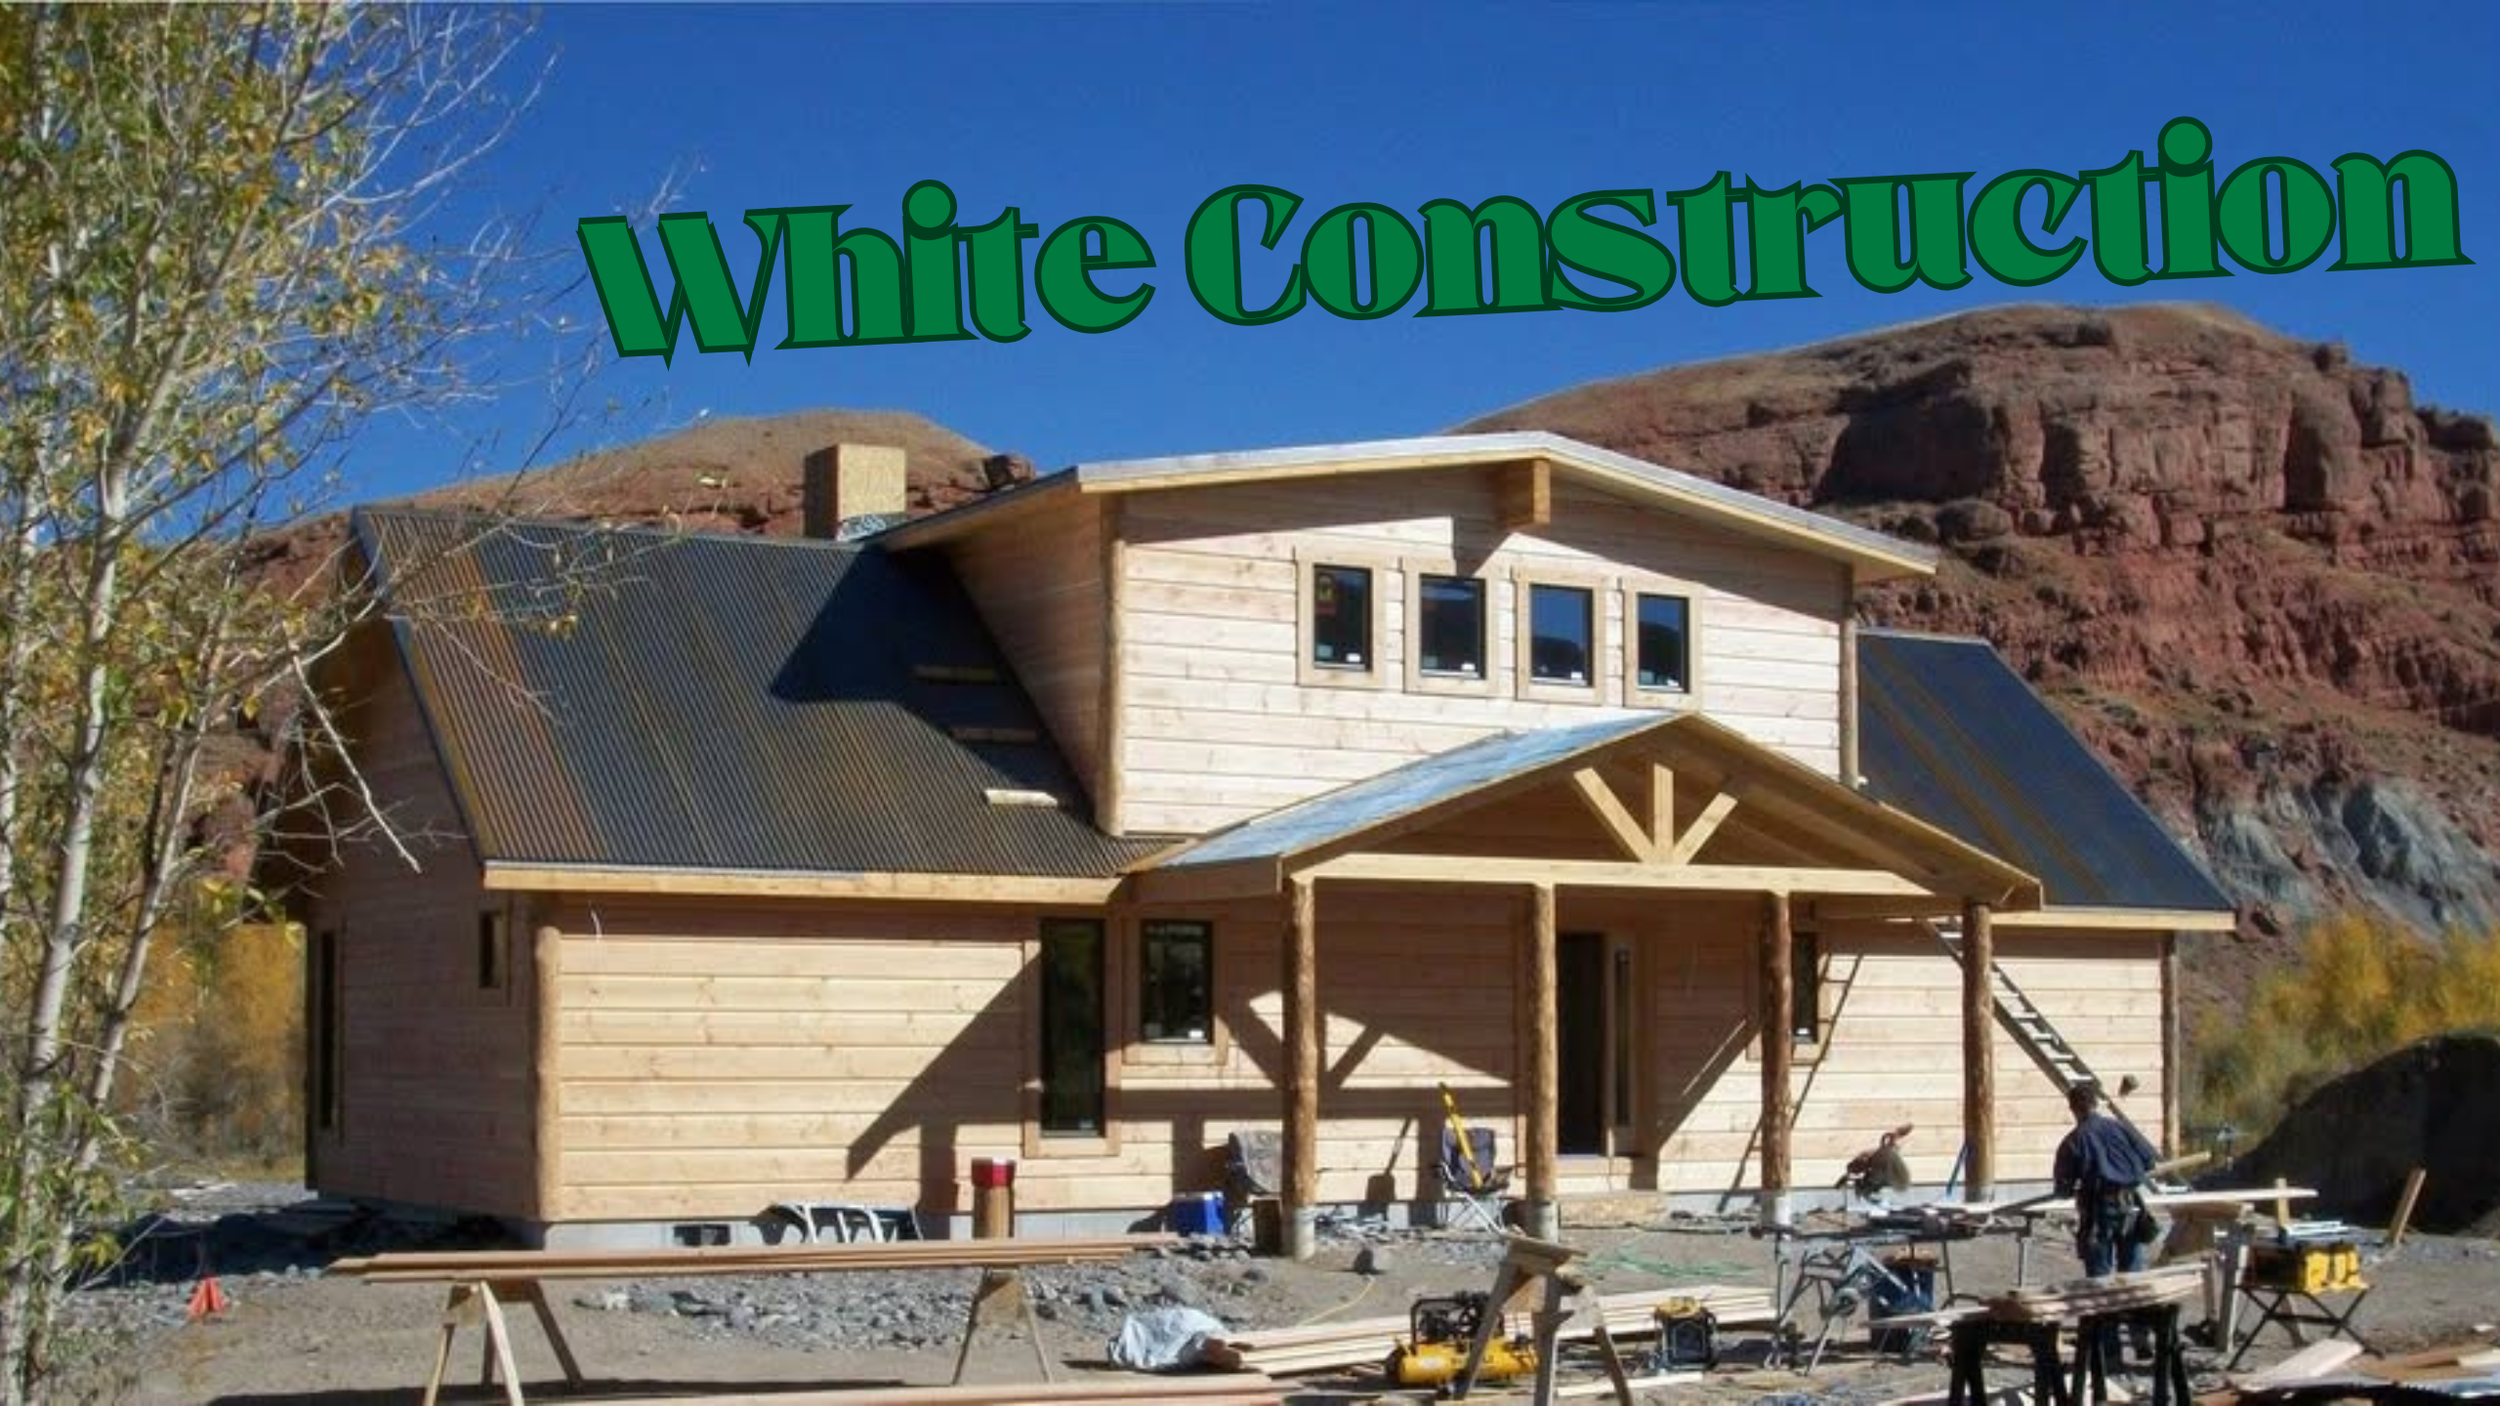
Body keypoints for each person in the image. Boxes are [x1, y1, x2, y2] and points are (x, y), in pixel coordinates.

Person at [2053, 1081, 2162, 1363]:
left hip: (2099, 1212)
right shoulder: (2120, 1128)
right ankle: (2140, 1339)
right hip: (2130, 1208)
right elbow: (2149, 1160)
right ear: (2095, 1104)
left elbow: (2062, 1188)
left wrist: (2079, 1183)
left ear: (2074, 1108)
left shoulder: (2074, 1141)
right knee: (2132, 1278)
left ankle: (2108, 1349)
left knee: (2101, 1282)